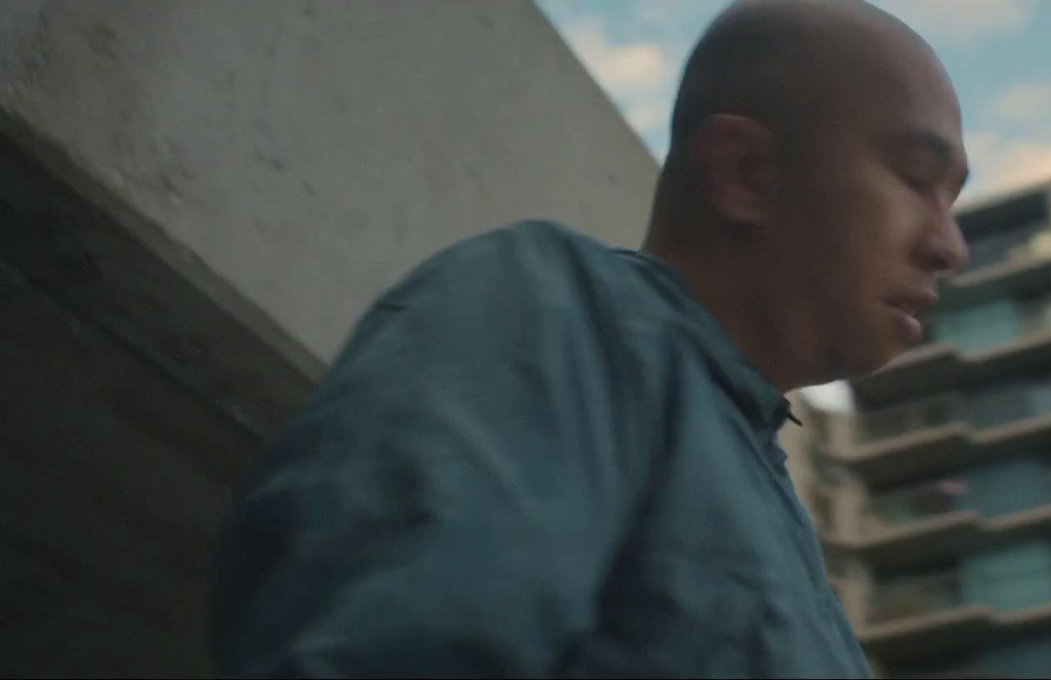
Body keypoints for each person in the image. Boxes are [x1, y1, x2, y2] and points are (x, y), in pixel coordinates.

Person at [209, 0, 969, 676]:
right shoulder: (550, 308)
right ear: (744, 172)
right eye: (913, 176)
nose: (950, 245)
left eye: (954, 199)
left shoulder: (769, 491)